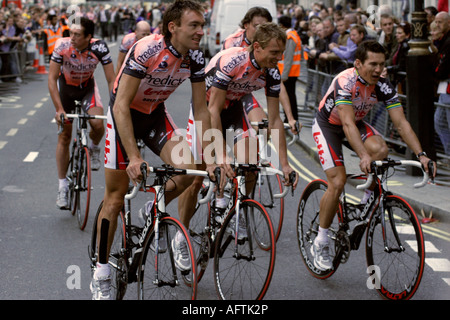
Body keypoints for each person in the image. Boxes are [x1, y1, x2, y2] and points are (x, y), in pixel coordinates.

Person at [90, 0, 215, 300]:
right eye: (194, 25)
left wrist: (213, 158)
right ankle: (101, 271)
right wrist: (134, 157)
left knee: (190, 170)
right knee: (115, 197)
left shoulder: (196, 57)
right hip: (124, 115)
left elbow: (201, 110)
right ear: (173, 27)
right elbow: (120, 104)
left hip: (154, 115)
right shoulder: (147, 50)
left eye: (202, 25)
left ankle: (154, 207)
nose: (201, 31)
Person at [311, 40, 436, 271]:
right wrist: (362, 156)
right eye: (373, 64)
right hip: (329, 125)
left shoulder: (382, 84)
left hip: (355, 123)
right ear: (358, 64)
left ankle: (366, 201)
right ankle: (321, 239)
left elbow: (401, 123)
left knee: (380, 150)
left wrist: (422, 155)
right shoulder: (345, 81)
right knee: (337, 181)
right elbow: (346, 123)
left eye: (382, 64)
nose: (378, 70)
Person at [180, 22, 299, 233]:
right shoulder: (233, 61)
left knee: (250, 162)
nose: (279, 58)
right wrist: (222, 155)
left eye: (281, 52)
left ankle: (238, 208)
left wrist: (285, 164)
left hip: (233, 108)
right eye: (274, 52)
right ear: (257, 47)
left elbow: (275, 120)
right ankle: (181, 234)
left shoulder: (271, 72)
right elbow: (213, 110)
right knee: (197, 177)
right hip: (206, 110)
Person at [49, 17, 115, 210]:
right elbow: (52, 79)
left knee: (97, 125)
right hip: (66, 91)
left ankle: (93, 147)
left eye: (77, 35)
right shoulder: (62, 46)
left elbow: (112, 80)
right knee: (64, 136)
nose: (72, 38)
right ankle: (62, 186)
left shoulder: (100, 48)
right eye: (71, 33)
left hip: (87, 89)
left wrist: (114, 106)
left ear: (89, 37)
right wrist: (59, 109)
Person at [221, 7, 299, 133]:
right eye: (257, 26)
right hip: (227, 91)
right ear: (246, 25)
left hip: (244, 92)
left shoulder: (269, 48)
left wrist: (290, 118)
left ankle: (258, 151)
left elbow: (277, 84)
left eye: (265, 26)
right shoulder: (233, 42)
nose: (262, 31)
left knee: (265, 129)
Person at [278, 15, 302, 123]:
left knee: (288, 97)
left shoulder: (289, 37)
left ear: (282, 25)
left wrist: (284, 76)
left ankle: (290, 119)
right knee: (289, 96)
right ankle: (289, 118)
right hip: (291, 72)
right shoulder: (292, 35)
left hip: (289, 73)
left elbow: (288, 58)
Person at [433, 12, 450, 169]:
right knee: (439, 122)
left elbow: (443, 68)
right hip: (444, 89)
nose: (437, 24)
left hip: (448, 88)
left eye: (440, 22)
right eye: (436, 22)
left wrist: (436, 73)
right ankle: (448, 155)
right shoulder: (442, 40)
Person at [386, 22, 410, 93]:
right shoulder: (399, 45)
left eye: (400, 33)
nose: (397, 35)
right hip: (398, 79)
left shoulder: (405, 46)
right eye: (396, 33)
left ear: (407, 35)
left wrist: (389, 69)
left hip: (403, 80)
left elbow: (402, 66)